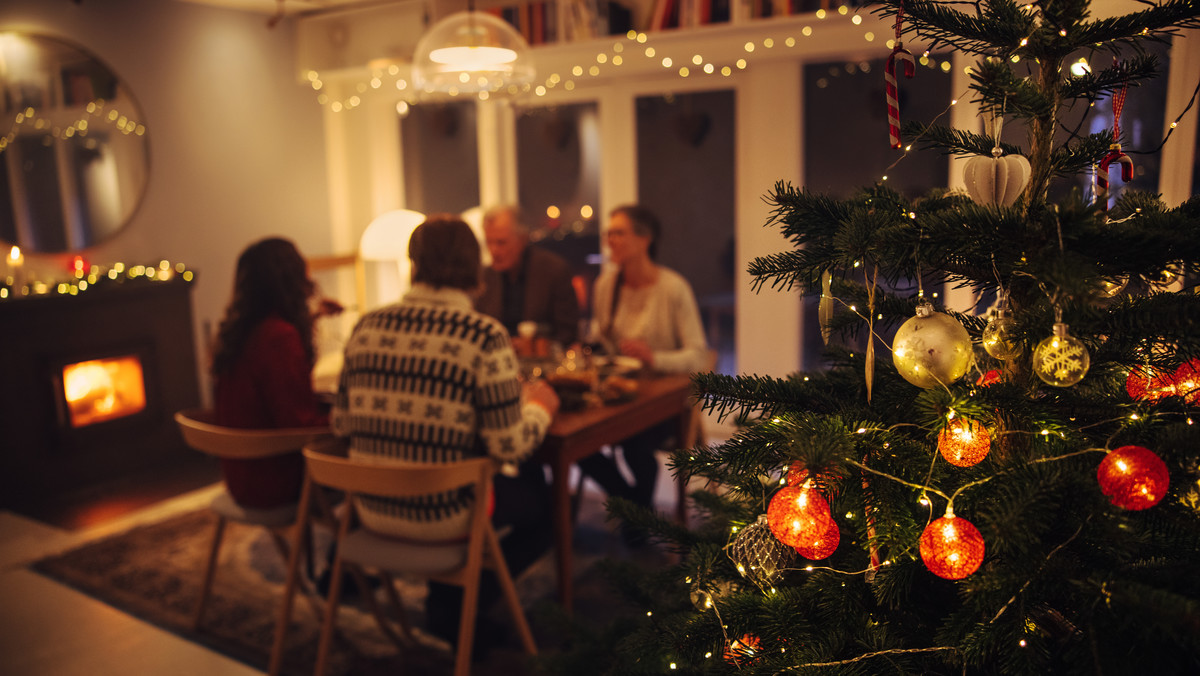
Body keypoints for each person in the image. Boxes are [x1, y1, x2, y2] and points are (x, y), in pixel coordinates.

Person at [330, 214, 561, 654]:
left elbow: (340, 425)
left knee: (501, 485)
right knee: (547, 509)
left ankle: (448, 604)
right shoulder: (482, 335)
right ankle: (457, 611)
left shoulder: (365, 326)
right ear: (474, 268)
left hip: (370, 510)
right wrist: (539, 409)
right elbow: (508, 445)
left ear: (413, 264)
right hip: (443, 514)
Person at [581, 204, 709, 515]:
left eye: (619, 233)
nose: (611, 240)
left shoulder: (672, 288)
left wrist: (654, 357)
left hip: (665, 401)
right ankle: (635, 508)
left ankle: (636, 515)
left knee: (634, 446)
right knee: (578, 442)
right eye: (608, 233)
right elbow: (602, 338)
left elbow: (698, 356)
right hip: (620, 395)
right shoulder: (605, 286)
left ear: (644, 239)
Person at [210, 237, 341, 509]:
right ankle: (345, 546)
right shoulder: (279, 337)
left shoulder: (240, 333)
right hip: (275, 482)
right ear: (291, 279)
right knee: (363, 455)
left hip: (241, 477)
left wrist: (313, 317)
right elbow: (298, 423)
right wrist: (346, 420)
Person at [474, 204, 580, 347]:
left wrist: (531, 345)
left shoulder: (553, 270)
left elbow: (568, 333)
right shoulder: (485, 277)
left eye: (501, 242)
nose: (494, 251)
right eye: (489, 242)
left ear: (522, 239)